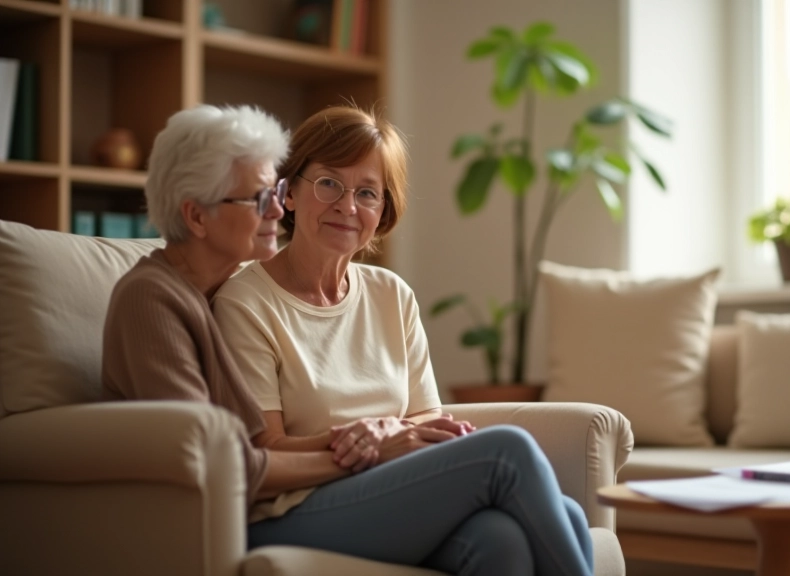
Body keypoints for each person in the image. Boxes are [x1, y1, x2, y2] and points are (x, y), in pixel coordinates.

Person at [104, 103, 594, 576]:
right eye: (327, 184)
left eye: (367, 193)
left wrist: (392, 438)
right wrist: (370, 443)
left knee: (507, 538)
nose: (346, 205)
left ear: (383, 212)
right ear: (293, 191)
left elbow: (423, 418)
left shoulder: (387, 293)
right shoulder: (214, 299)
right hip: (287, 508)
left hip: (372, 486)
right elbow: (234, 459)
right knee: (509, 451)